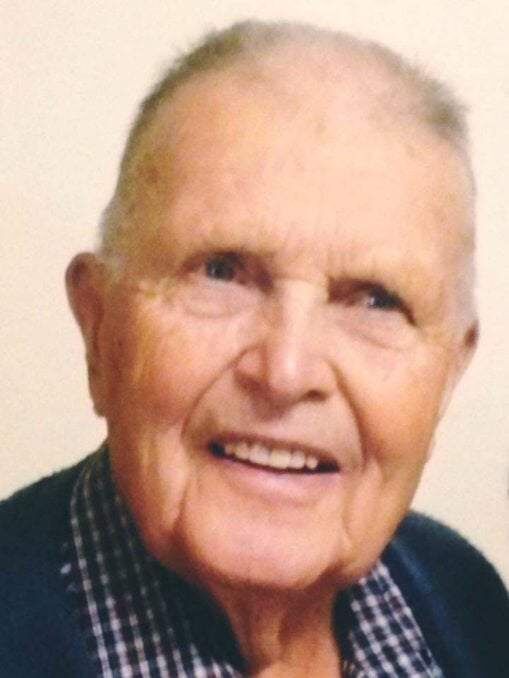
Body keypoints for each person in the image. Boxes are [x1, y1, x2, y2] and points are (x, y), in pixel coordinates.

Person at [1, 19, 507, 678]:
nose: (285, 372)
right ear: (98, 328)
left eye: (375, 301)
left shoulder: (468, 603)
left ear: (447, 374)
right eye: (221, 272)